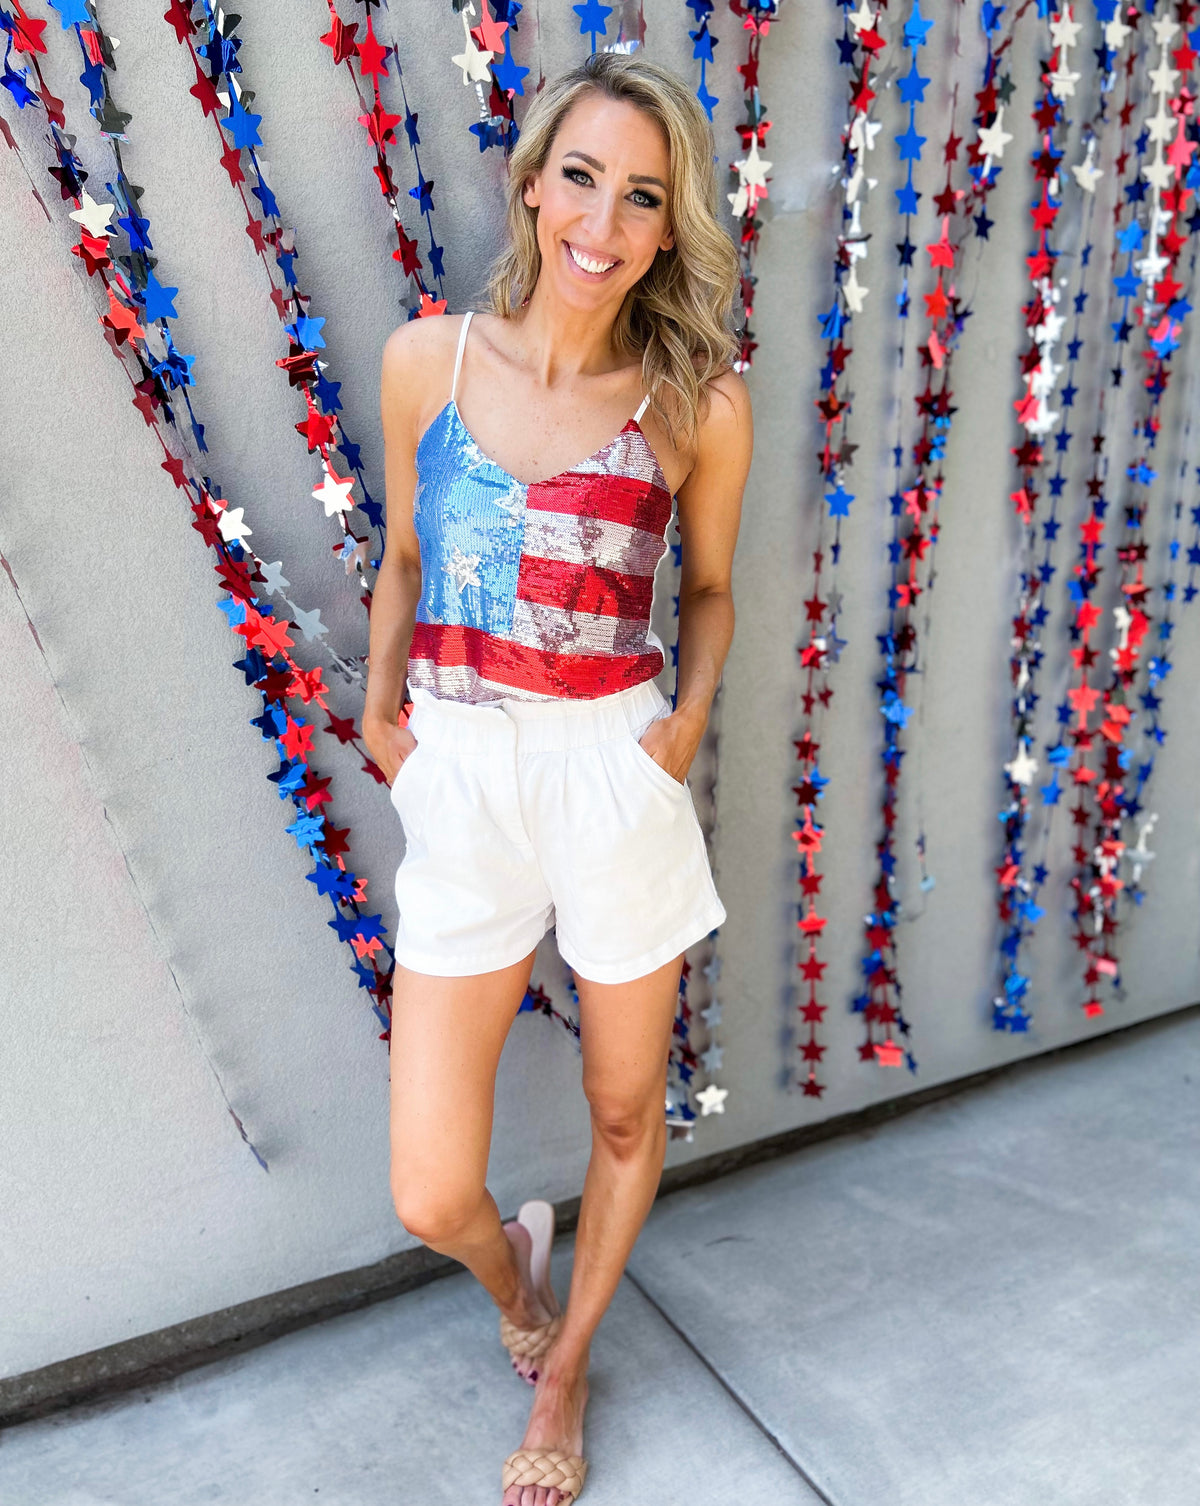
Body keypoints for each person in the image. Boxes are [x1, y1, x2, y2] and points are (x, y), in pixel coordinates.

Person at [363, 48, 752, 1506]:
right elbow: (404, 556)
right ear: (534, 186)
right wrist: (379, 702)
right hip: (462, 771)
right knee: (429, 1189)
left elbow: (708, 591)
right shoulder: (429, 362)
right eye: (581, 175)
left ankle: (570, 1354)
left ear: (669, 226)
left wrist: (687, 717)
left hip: (612, 765)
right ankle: (507, 1265)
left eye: (643, 195)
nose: (604, 217)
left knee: (622, 1112)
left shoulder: (694, 401)